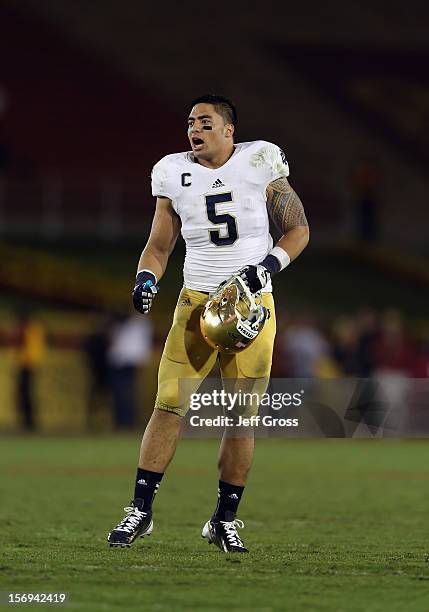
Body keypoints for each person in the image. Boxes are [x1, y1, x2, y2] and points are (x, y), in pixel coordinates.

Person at [107, 94, 309, 552]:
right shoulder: (171, 171)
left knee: (241, 418)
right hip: (195, 303)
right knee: (167, 406)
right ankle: (140, 510)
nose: (193, 130)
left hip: (252, 304)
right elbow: (159, 245)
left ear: (228, 130)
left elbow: (298, 229)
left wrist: (267, 267)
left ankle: (224, 519)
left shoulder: (260, 160)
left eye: (204, 122)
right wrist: (145, 277)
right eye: (189, 123)